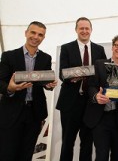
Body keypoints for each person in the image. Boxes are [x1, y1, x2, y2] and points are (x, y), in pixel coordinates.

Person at [0, 21, 57, 161]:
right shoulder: (8, 56)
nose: (36, 37)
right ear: (26, 33)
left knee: (26, 154)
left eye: (40, 35)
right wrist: (10, 88)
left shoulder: (46, 58)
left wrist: (49, 85)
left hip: (34, 113)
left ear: (43, 38)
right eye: (33, 32)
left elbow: (43, 81)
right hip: (11, 113)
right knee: (7, 153)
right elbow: (1, 81)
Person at [56, 17, 107, 161]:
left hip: (91, 103)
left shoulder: (99, 49)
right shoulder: (66, 48)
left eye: (87, 28)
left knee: (87, 142)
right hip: (70, 102)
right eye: (81, 28)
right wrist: (72, 77)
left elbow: (103, 73)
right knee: (67, 141)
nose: (84, 31)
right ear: (76, 30)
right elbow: (62, 73)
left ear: (91, 30)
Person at [83, 34, 118, 161]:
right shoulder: (99, 64)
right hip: (100, 118)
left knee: (117, 156)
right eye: (117, 45)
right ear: (112, 47)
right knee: (101, 155)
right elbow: (91, 86)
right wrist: (96, 96)